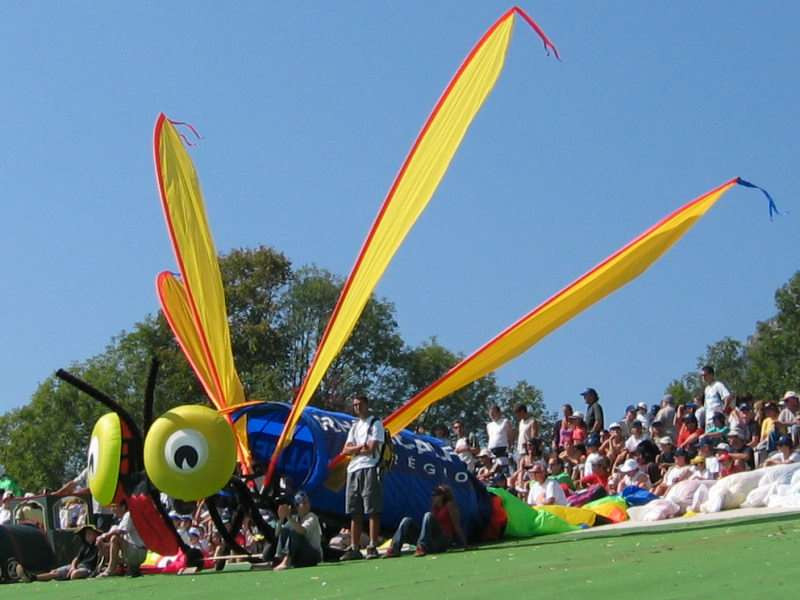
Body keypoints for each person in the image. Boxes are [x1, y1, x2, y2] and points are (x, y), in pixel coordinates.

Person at [340, 394, 385, 560]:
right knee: (354, 510)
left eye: (359, 404)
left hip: (369, 467)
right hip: (353, 469)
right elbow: (345, 450)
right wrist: (359, 447)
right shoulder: (354, 426)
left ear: (366, 405)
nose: (357, 407)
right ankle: (354, 547)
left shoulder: (375, 423)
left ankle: (372, 545)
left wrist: (355, 449)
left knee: (372, 508)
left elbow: (371, 448)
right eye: (355, 405)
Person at [385, 484, 467, 557]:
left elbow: (457, 526)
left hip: (443, 540)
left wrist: (464, 543)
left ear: (443, 495)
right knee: (406, 520)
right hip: (431, 541)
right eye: (433, 494)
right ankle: (394, 549)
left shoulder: (450, 505)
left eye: (436, 493)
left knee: (428, 515)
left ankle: (421, 547)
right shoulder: (434, 507)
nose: (433, 496)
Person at [272, 491, 323, 570]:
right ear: (297, 506)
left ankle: (286, 561)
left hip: (313, 555)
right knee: (286, 528)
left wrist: (288, 516)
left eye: (308, 502)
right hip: (300, 555)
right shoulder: (294, 519)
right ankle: (279, 558)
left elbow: (302, 531)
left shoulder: (312, 517)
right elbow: (277, 534)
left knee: (294, 530)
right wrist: (281, 519)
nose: (307, 505)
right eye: (304, 503)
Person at [97, 501, 148, 577]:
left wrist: (103, 536)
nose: (112, 509)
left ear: (123, 507)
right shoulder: (121, 519)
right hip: (133, 551)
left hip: (138, 552)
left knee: (115, 538)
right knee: (107, 545)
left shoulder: (129, 514)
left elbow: (120, 532)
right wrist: (102, 545)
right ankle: (128, 569)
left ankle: (110, 570)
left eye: (114, 506)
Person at [37, 524, 101, 581]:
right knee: (54, 572)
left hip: (89, 569)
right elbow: (76, 559)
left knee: (75, 574)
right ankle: (33, 578)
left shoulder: (99, 546)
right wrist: (73, 567)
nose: (88, 536)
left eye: (90, 534)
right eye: (87, 534)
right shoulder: (84, 546)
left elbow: (101, 560)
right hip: (78, 566)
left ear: (95, 535)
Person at [700, 365, 732, 431]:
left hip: (717, 420)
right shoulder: (706, 389)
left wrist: (723, 411)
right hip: (708, 421)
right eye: (702, 375)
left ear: (711, 375)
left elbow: (728, 397)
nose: (703, 377)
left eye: (705, 375)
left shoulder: (718, 385)